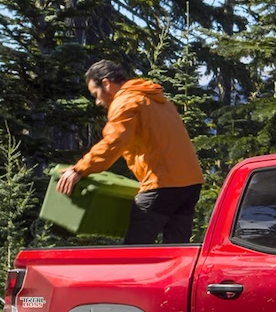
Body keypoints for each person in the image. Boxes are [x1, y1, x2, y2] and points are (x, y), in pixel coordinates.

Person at [56, 60, 203, 244]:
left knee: (134, 250)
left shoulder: (126, 101)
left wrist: (79, 169)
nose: (98, 102)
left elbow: (113, 142)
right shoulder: (158, 100)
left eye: (96, 94)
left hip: (161, 184)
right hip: (190, 185)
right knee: (177, 250)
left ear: (106, 83)